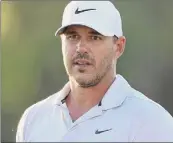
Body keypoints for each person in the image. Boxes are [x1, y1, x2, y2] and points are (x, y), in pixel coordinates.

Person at [16, 1, 173, 142]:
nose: (81, 48)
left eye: (95, 37)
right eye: (72, 36)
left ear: (118, 46)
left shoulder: (151, 122)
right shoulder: (34, 118)